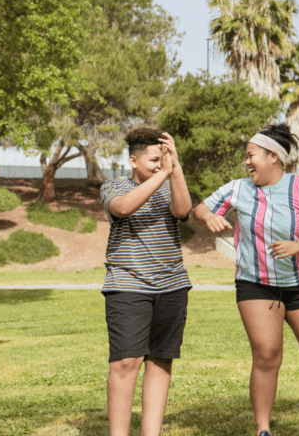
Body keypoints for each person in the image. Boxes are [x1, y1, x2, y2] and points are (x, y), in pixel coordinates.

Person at [194, 123, 299, 436]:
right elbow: (199, 207)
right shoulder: (238, 188)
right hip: (256, 285)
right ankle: (262, 429)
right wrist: (208, 215)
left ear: (273, 156)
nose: (246, 162)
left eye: (251, 155)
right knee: (266, 356)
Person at [101, 127, 192, 436]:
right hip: (127, 285)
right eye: (154, 159)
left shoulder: (170, 185)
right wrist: (162, 174)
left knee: (160, 361)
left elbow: (183, 210)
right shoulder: (114, 186)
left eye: (163, 158)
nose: (159, 164)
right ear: (133, 160)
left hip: (172, 286)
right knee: (126, 362)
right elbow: (124, 208)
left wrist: (174, 168)